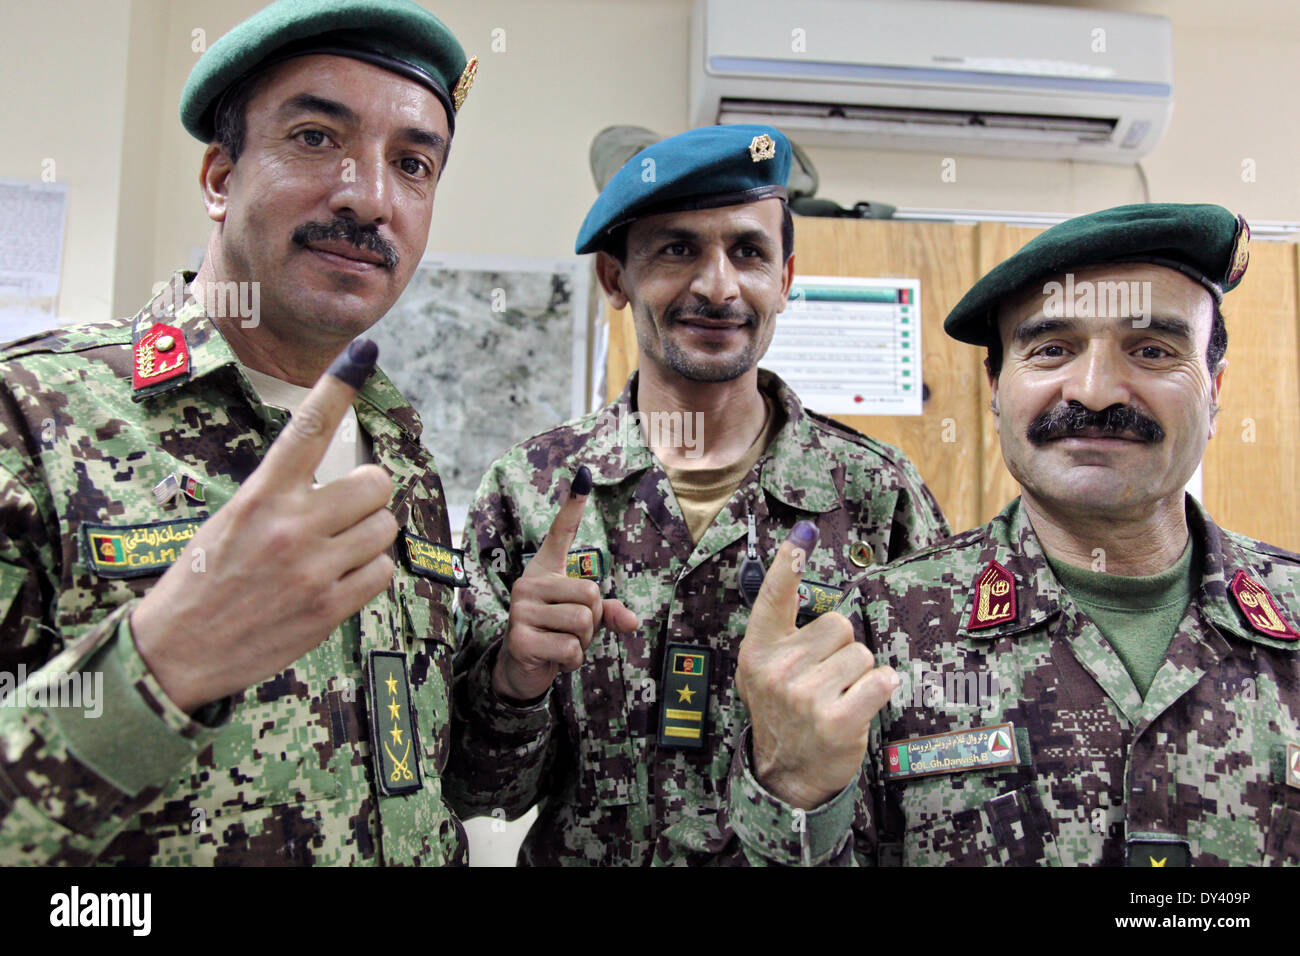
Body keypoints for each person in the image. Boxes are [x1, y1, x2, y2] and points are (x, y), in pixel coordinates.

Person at [0, 0, 479, 865]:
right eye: (315, 138)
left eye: (412, 164)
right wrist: (160, 664)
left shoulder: (399, 441)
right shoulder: (31, 414)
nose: (369, 197)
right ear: (221, 177)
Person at [691, 202, 1300, 866]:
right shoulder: (877, 635)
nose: (1094, 391)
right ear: (995, 388)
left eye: (1152, 350)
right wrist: (792, 792)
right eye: (1052, 349)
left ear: (1214, 388)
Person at [446, 124, 950, 865]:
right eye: (678, 249)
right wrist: (514, 680)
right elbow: (477, 789)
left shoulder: (878, 495)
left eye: (748, 252)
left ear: (783, 279)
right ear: (616, 280)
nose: (718, 287)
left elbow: (935, 769)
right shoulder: (533, 492)